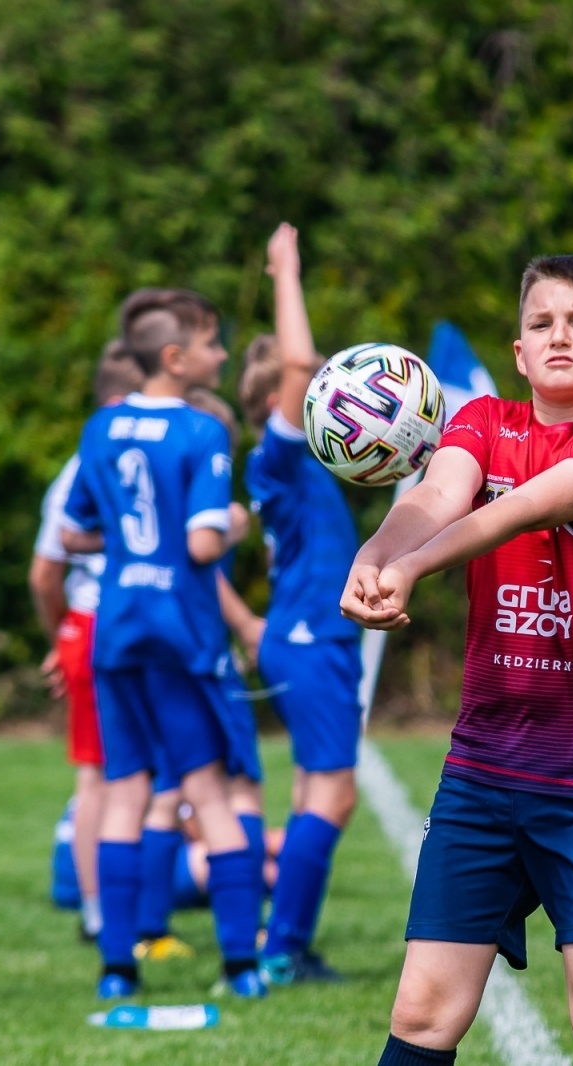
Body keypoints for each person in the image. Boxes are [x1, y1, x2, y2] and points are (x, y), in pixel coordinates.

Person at [343, 255, 573, 1066]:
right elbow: (433, 497)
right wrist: (378, 553)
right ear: (520, 351)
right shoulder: (483, 420)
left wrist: (415, 567)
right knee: (423, 1012)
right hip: (484, 773)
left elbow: (527, 507)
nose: (560, 335)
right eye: (541, 323)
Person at [59, 288, 266, 1000]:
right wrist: (235, 525)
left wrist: (123, 544)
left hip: (116, 630)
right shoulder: (201, 432)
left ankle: (118, 966)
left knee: (126, 791)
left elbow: (71, 532)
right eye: (212, 343)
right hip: (182, 633)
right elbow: (203, 542)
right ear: (176, 359)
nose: (221, 354)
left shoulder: (102, 427)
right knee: (209, 791)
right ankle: (241, 963)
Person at [235, 222, 362, 986]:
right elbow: (301, 360)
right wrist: (287, 266)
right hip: (312, 640)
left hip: (311, 637)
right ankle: (281, 948)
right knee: (335, 795)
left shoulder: (290, 465)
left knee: (319, 792)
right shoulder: (277, 454)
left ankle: (287, 943)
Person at [29, 340, 146, 943]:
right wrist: (64, 637)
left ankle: (128, 909)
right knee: (101, 776)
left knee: (128, 774)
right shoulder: (88, 466)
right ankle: (101, 914)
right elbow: (45, 571)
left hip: (110, 626)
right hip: (101, 624)